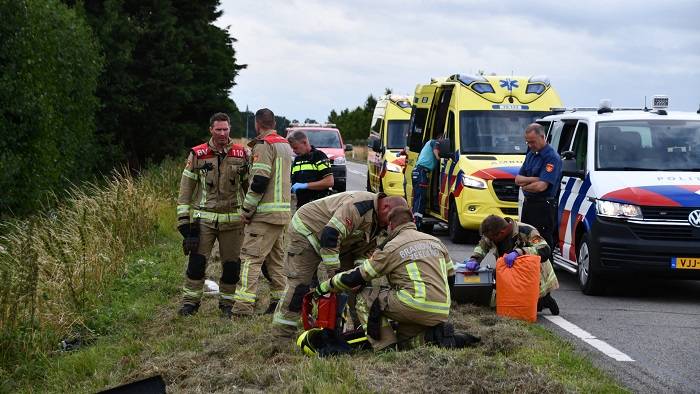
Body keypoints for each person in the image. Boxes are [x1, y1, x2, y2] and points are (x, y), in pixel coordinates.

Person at [313, 206, 479, 350]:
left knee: (365, 297)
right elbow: (451, 277)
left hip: (414, 304)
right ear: (412, 220)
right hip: (441, 309)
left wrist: (327, 285)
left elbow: (359, 275)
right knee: (406, 341)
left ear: (391, 225)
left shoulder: (393, 246)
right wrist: (444, 304)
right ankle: (439, 337)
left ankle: (385, 347)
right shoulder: (436, 242)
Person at [271, 191, 407, 340]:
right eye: (390, 221)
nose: (390, 226)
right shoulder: (357, 207)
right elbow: (330, 235)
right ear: (385, 207)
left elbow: (365, 251)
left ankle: (359, 330)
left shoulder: (382, 220)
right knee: (299, 286)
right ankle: (282, 335)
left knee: (359, 284)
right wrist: (335, 275)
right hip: (308, 232)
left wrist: (357, 277)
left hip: (343, 243)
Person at [176, 112, 249, 318]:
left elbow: (249, 188)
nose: (223, 133)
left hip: (233, 221)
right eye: (218, 129)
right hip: (204, 220)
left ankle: (227, 304)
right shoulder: (197, 154)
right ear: (211, 130)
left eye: (226, 129)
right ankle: (190, 303)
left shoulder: (241, 154)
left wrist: (250, 214)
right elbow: (185, 189)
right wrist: (183, 222)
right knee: (197, 264)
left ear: (230, 129)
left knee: (232, 266)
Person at [232, 108, 293, 316]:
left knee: (250, 260)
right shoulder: (284, 144)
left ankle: (242, 307)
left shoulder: (264, 145)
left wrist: (247, 209)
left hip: (264, 215)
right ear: (274, 122)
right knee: (275, 262)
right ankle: (279, 304)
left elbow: (259, 181)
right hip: (282, 214)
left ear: (258, 124)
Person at [465, 214, 559, 314]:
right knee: (508, 304)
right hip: (511, 271)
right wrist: (474, 259)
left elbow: (545, 249)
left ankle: (546, 300)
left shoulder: (526, 231)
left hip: (534, 276)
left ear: (501, 232)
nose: (490, 241)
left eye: (492, 239)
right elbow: (483, 245)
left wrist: (519, 252)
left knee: (530, 306)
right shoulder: (493, 233)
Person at [515, 123, 562, 251]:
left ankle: (546, 270)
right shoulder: (531, 154)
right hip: (529, 205)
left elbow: (541, 187)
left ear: (542, 137)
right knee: (526, 241)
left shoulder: (551, 158)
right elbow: (518, 179)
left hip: (543, 207)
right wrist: (534, 179)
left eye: (532, 142)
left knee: (542, 245)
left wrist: (525, 187)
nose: (530, 145)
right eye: (527, 142)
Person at [287, 130, 334, 208]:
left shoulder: (319, 156)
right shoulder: (297, 160)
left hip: (318, 206)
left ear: (304, 142)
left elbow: (329, 182)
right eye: (292, 148)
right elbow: (292, 181)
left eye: (295, 148)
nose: (294, 151)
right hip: (301, 206)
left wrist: (305, 185)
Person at [411, 138, 440, 228]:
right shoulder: (434, 142)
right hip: (421, 172)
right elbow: (435, 149)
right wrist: (439, 158)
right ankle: (417, 222)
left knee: (417, 197)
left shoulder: (427, 143)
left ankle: (414, 220)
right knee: (420, 198)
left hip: (418, 171)